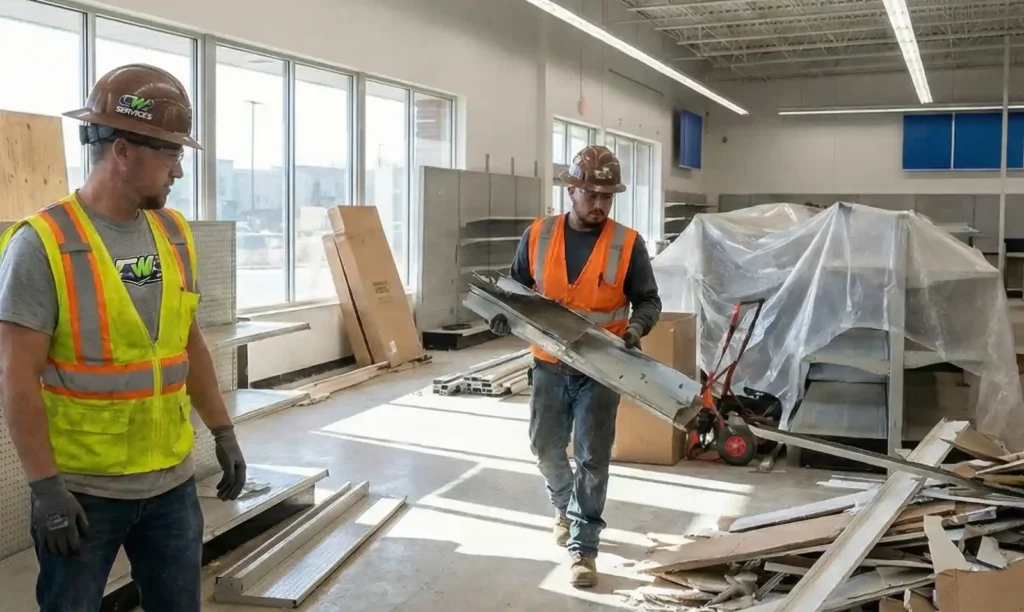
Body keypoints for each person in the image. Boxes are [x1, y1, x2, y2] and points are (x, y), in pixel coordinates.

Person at [0, 63, 247, 612]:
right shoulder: (43, 244)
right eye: (171, 153)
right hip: (85, 493)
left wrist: (223, 432)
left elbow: (190, 346)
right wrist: (45, 488)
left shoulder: (174, 233)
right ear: (123, 150)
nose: (178, 171)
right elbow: (15, 376)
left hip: (171, 486)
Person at [488, 145, 662, 588]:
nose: (600, 204)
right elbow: (515, 288)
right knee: (545, 447)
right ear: (571, 190)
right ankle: (565, 508)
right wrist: (501, 311)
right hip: (548, 363)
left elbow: (648, 300)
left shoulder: (628, 243)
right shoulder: (538, 235)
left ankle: (584, 547)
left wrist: (636, 329)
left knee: (592, 458)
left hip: (602, 368)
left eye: (607, 196)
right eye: (591, 194)